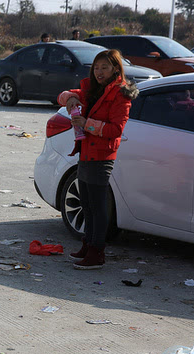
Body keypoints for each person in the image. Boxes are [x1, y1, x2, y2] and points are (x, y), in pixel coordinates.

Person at [57, 49, 138, 270]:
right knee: (87, 204)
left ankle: (97, 252)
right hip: (85, 151)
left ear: (115, 69)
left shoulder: (120, 93)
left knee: (98, 205)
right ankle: (88, 244)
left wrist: (87, 124)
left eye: (105, 67)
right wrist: (71, 98)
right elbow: (62, 95)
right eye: (96, 68)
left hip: (102, 155)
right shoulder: (93, 89)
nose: (99, 72)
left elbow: (116, 129)